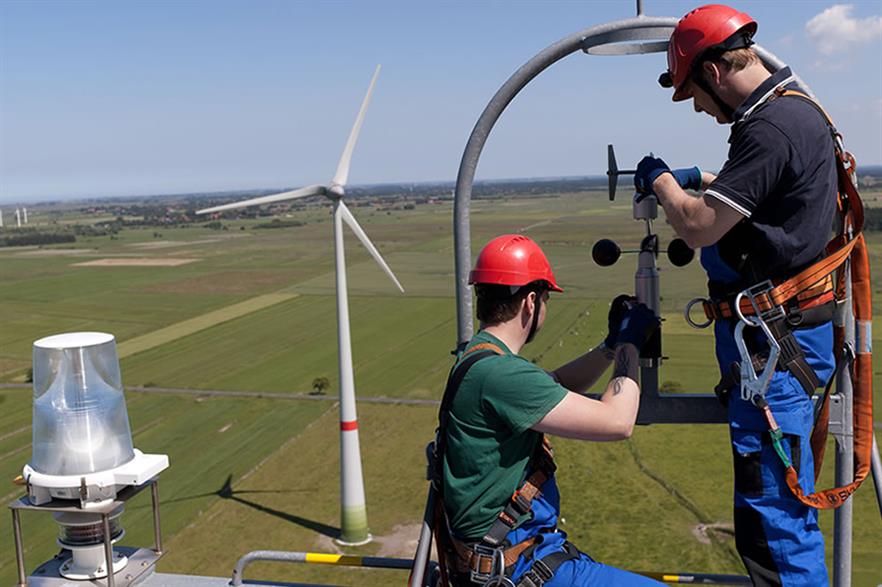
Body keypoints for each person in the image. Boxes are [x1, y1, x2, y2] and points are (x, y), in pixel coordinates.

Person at [634, 5, 837, 586]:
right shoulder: (790, 113)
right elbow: (766, 202)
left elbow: (697, 226)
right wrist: (704, 178)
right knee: (763, 510)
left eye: (693, 93)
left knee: (775, 514)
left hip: (774, 351)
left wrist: (664, 182)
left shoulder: (769, 128)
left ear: (714, 73)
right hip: (774, 344)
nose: (698, 107)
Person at [435, 233, 663, 586]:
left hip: (511, 554)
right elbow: (618, 422)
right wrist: (630, 346)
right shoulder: (501, 374)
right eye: (545, 299)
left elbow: (554, 383)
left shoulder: (480, 358)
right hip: (519, 564)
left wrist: (609, 345)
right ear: (530, 301)